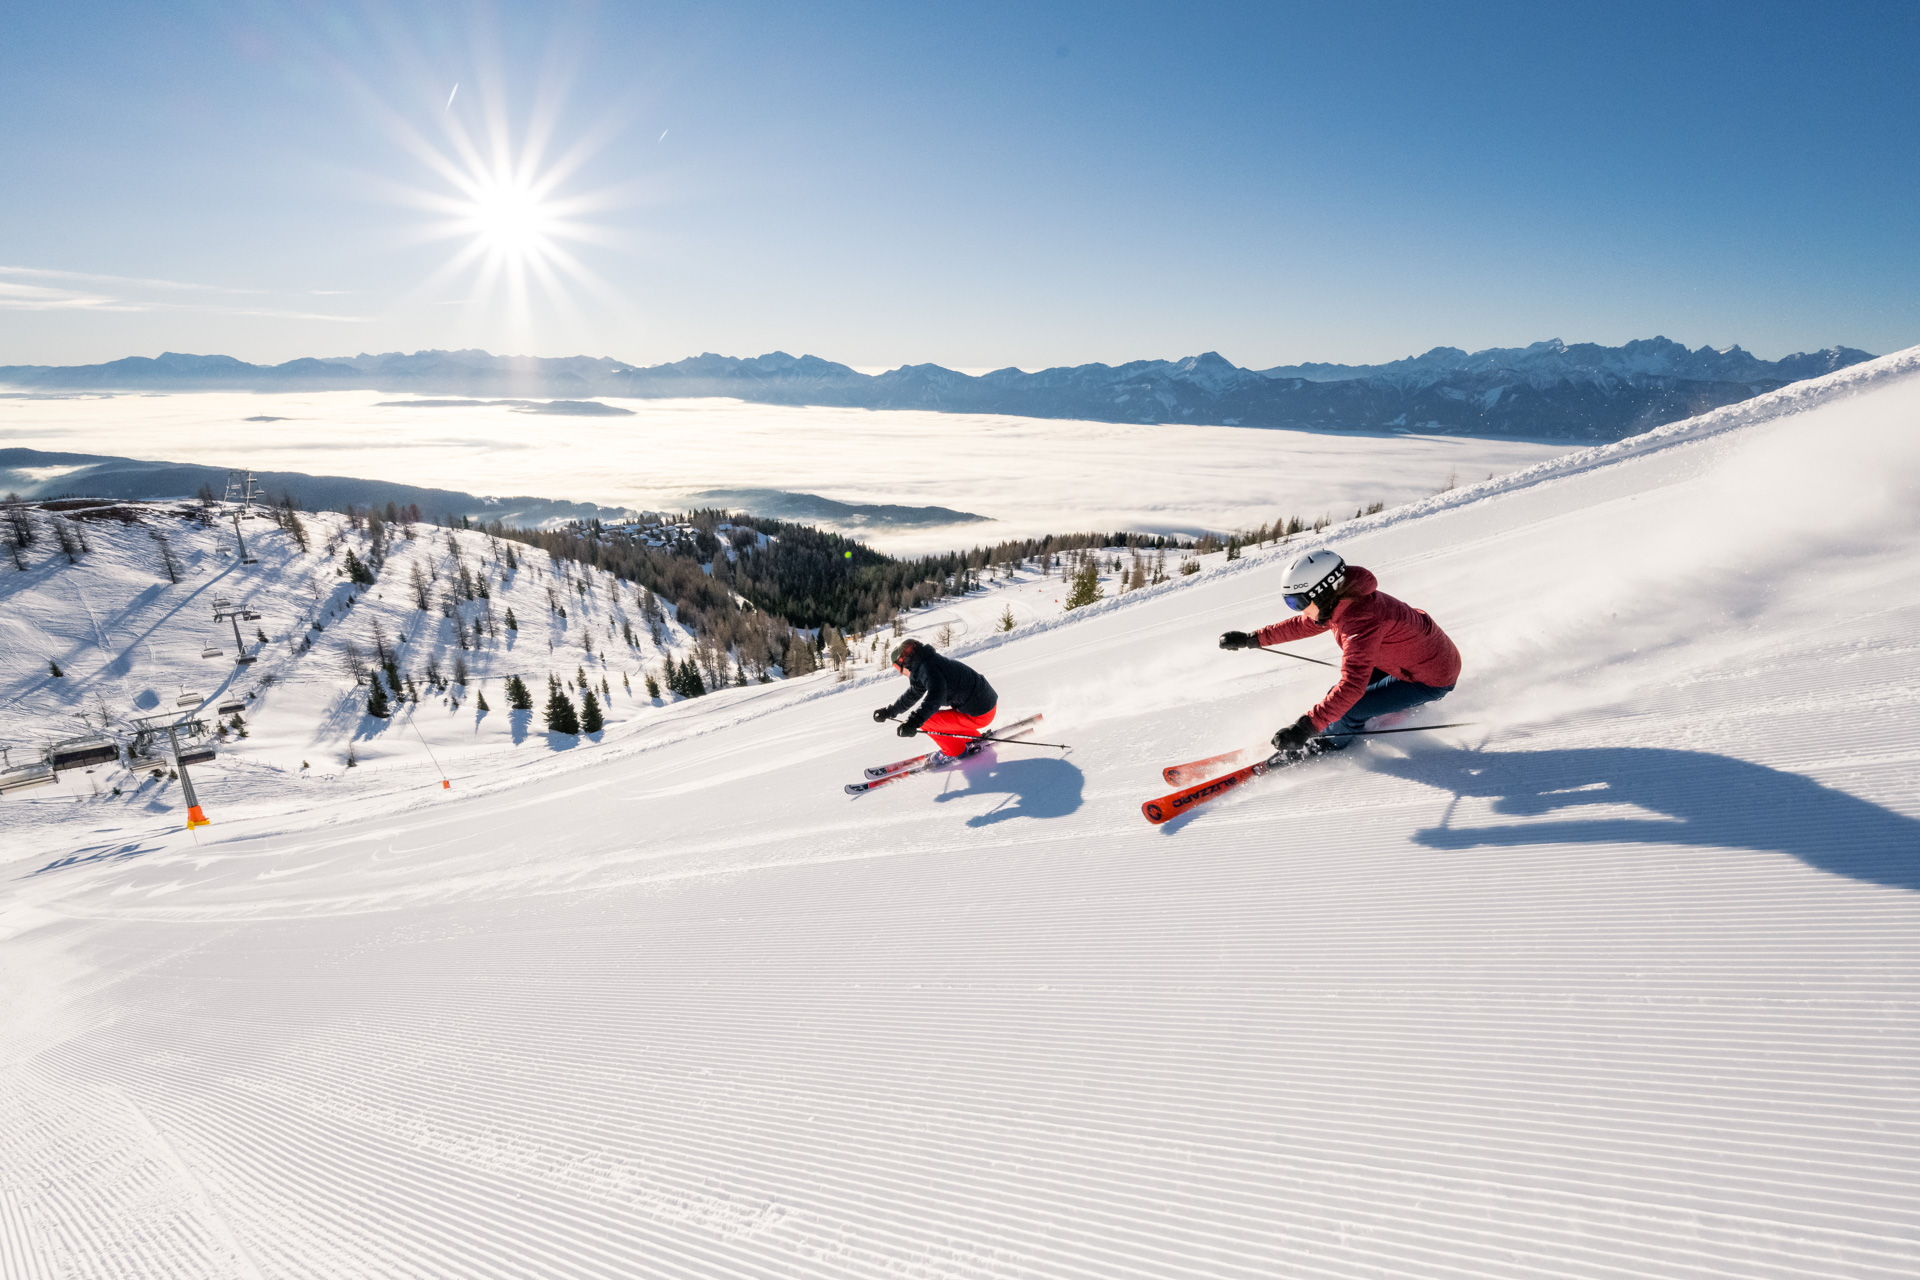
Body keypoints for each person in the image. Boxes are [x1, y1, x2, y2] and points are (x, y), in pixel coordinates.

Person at [1218, 549, 1461, 757]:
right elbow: (1302, 625)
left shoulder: (1360, 620)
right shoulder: (1343, 600)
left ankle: (1331, 743)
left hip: (1430, 677)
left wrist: (1305, 729)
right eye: (1291, 603)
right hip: (1407, 660)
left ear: (1322, 592)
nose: (1298, 610)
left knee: (1348, 708)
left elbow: (1352, 686)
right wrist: (1252, 638)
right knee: (1335, 699)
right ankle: (1396, 706)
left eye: (1298, 603)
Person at [873, 638, 999, 756]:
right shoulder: (927, 664)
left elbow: (936, 696)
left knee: (928, 722)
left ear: (904, 663)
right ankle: (971, 739)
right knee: (939, 720)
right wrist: (890, 712)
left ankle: (954, 752)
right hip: (984, 705)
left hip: (979, 713)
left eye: (897, 668)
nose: (900, 672)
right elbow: (913, 694)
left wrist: (915, 721)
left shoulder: (928, 669)